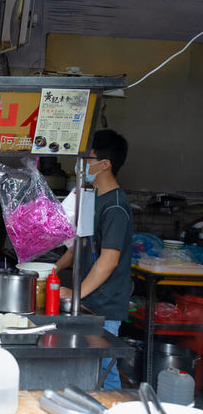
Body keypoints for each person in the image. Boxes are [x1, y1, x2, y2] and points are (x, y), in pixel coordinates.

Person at [56, 129, 132, 390]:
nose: (81, 165)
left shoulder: (116, 208)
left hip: (105, 306)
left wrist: (76, 294)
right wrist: (51, 268)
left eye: (86, 159)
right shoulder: (91, 198)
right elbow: (81, 244)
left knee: (103, 373)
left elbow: (108, 261)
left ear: (104, 164)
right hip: (89, 302)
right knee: (87, 369)